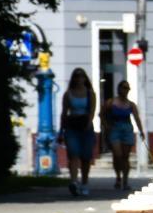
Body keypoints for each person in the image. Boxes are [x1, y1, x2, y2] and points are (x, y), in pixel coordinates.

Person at [59, 68, 98, 196]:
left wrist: (88, 123)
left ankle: (85, 182)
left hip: (86, 127)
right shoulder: (68, 94)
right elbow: (64, 113)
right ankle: (74, 181)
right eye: (76, 76)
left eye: (81, 76)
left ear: (85, 78)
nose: (79, 79)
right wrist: (61, 131)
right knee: (73, 154)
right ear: (73, 79)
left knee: (86, 157)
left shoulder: (90, 94)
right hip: (72, 127)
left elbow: (92, 111)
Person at [102, 80, 145, 191]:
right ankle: (118, 177)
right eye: (123, 87)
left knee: (125, 156)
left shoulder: (131, 105)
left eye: (127, 88)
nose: (125, 90)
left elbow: (136, 118)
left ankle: (125, 180)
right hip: (114, 129)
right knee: (117, 155)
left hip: (127, 130)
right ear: (119, 89)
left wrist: (141, 131)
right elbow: (102, 114)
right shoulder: (110, 102)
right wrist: (106, 126)